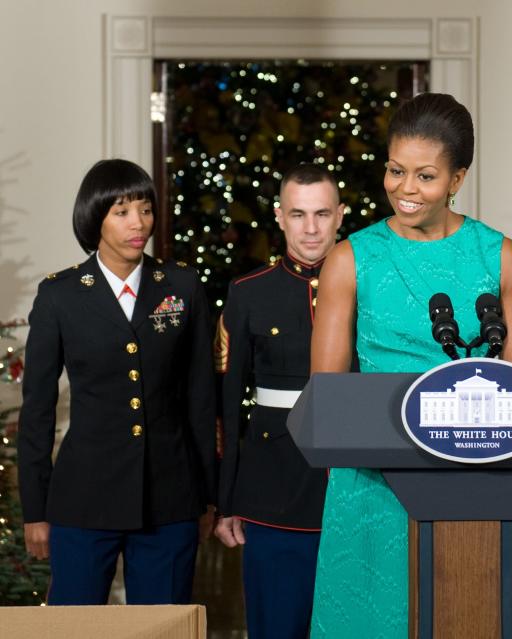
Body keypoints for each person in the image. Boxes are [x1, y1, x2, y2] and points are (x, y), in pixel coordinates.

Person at [308, 92, 512, 637]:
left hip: (480, 479)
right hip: (372, 485)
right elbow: (327, 395)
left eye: (425, 176)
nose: (405, 189)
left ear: (457, 179)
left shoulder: (501, 256)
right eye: (395, 171)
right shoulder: (350, 259)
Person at [18, 158, 217, 605]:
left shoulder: (181, 287)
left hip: (170, 500)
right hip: (82, 501)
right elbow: (38, 409)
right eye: (122, 211)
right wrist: (35, 509)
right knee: (74, 631)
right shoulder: (60, 296)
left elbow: (200, 399)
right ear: (95, 218)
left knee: (165, 631)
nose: (138, 223)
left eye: (145, 209)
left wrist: (206, 497)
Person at [214, 163, 344, 638]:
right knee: (276, 625)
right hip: (273, 488)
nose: (310, 228)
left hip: (354, 484)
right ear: (279, 216)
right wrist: (226, 500)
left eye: (322, 214)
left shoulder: (369, 288)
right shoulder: (249, 293)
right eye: (298, 214)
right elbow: (227, 404)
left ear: (340, 216)